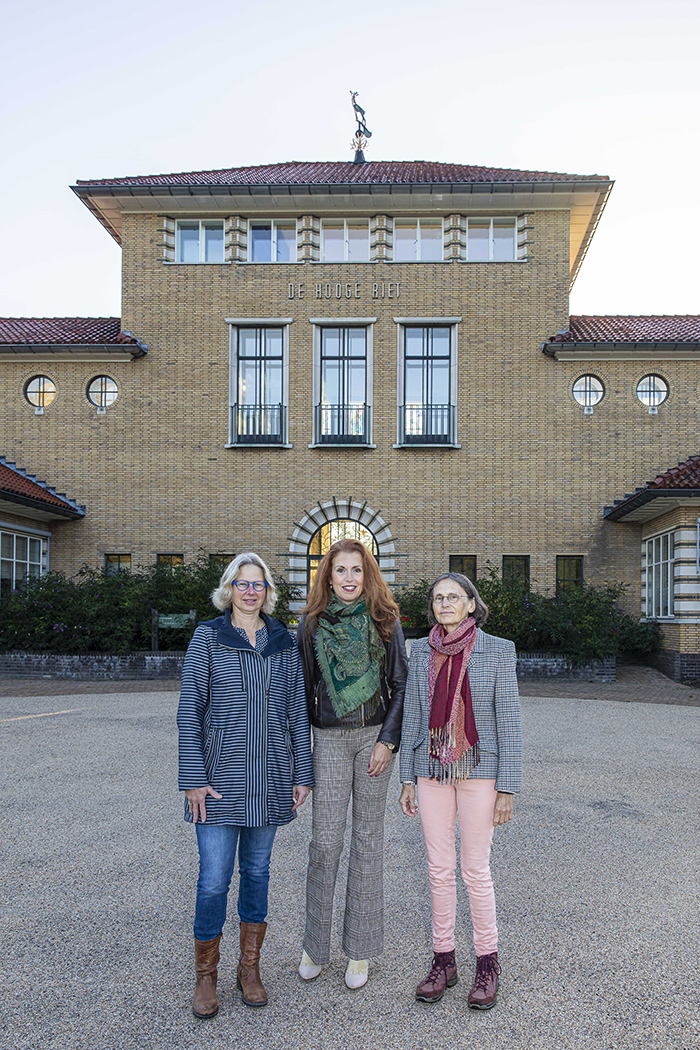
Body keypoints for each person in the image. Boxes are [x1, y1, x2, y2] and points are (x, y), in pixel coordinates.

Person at [177, 552, 313, 1017]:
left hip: (270, 779)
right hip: (218, 783)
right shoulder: (208, 639)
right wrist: (193, 778)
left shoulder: (283, 642)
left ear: (268, 592)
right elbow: (189, 711)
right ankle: (206, 976)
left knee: (257, 874)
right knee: (214, 880)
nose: (250, 591)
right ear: (228, 589)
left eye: (258, 584)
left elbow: (297, 710)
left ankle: (249, 968)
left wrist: (302, 773)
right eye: (242, 583)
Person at [399, 572, 521, 1010]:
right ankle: (444, 959)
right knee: (437, 869)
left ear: (471, 604)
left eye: (454, 597)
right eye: (438, 598)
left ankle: (487, 962)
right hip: (431, 769)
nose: (445, 604)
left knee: (475, 870)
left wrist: (507, 787)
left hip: (479, 771)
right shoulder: (421, 651)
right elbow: (413, 716)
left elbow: (508, 721)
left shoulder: (497, 650)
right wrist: (407, 778)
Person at [296, 538, 407, 990]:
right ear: (327, 576)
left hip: (373, 740)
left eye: (356, 570)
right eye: (340, 570)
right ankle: (315, 946)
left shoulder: (386, 621)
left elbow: (400, 683)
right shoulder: (310, 626)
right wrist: (302, 759)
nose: (348, 578)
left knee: (367, 843)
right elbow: (301, 693)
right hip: (327, 739)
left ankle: (359, 951)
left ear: (368, 575)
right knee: (324, 843)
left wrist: (389, 741)